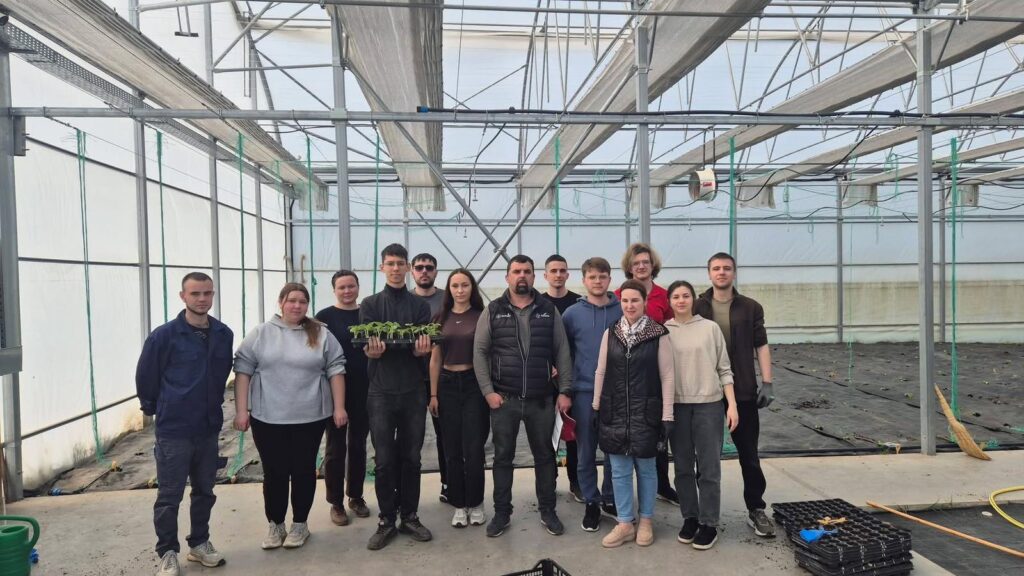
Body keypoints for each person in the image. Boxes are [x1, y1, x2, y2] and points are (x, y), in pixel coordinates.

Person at [233, 282, 348, 550]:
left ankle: (300, 524)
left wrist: (339, 407)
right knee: (274, 472)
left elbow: (336, 369)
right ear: (281, 302)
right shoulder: (261, 333)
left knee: (303, 471)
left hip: (309, 417)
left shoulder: (320, 333)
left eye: (302, 301)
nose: (297, 306)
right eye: (292, 300)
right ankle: (276, 524)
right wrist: (241, 410)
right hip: (268, 417)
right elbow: (243, 371)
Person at [136, 272, 233, 576]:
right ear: (183, 296)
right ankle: (167, 551)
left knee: (205, 490)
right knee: (169, 495)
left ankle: (199, 543)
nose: (202, 299)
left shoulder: (223, 333)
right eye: (195, 294)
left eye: (207, 293)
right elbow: (146, 377)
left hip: (208, 427)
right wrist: (161, 408)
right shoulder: (164, 336)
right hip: (174, 430)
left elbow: (221, 375)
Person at [473, 254, 573, 538]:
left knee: (545, 457)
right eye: (516, 271)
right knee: (503, 458)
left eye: (527, 271)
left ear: (533, 276)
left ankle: (548, 510)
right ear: (507, 277)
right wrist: (488, 392)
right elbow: (479, 352)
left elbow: (562, 351)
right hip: (505, 400)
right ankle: (502, 513)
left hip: (541, 400)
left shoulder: (548, 310)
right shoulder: (493, 310)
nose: (522, 276)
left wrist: (565, 390)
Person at [692, 252, 776, 538]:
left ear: (734, 272)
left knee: (749, 454)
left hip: (742, 391)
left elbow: (761, 345)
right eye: (716, 268)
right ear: (709, 273)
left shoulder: (750, 307)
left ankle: (756, 508)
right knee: (705, 456)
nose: (721, 272)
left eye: (726, 268)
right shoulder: (697, 306)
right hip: (706, 392)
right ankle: (705, 512)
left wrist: (767, 382)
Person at [361, 244, 435, 550]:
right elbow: (367, 343)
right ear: (382, 268)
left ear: (407, 268)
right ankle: (386, 519)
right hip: (380, 391)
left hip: (413, 390)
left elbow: (422, 343)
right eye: (389, 263)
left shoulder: (419, 306)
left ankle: (410, 515)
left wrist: (420, 351)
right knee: (384, 460)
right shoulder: (370, 305)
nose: (395, 268)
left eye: (400, 263)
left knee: (411, 457)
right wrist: (373, 351)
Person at [593, 280, 675, 548]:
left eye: (635, 300)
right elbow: (601, 371)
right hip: (615, 410)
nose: (630, 306)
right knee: (619, 470)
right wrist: (596, 406)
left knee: (647, 469)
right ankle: (625, 523)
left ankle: (646, 521)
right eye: (625, 301)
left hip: (646, 411)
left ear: (644, 302)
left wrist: (667, 415)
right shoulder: (611, 333)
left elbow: (667, 376)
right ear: (621, 303)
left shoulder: (658, 334)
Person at [665, 280, 739, 550]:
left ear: (693, 299)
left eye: (686, 295)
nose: (681, 300)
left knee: (709, 468)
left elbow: (724, 369)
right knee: (682, 468)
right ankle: (690, 518)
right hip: (677, 407)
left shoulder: (710, 328)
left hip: (709, 405)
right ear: (669, 301)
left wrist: (731, 405)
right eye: (676, 296)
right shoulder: (664, 332)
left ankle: (709, 523)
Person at [561, 257, 620, 531]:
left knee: (613, 449)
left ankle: (610, 497)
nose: (598, 281)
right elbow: (564, 354)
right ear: (584, 280)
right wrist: (566, 390)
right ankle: (591, 501)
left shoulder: (622, 310)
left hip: (615, 392)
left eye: (602, 276)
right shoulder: (571, 314)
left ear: (610, 279)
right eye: (592, 277)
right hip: (584, 391)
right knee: (585, 449)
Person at [616, 242, 677, 505]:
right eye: (636, 263)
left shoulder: (664, 296)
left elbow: (674, 327)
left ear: (653, 266)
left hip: (656, 372)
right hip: (627, 374)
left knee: (657, 431)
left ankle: (662, 484)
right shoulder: (619, 294)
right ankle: (621, 492)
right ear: (629, 267)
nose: (641, 266)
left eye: (645, 262)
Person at [428, 269, 488, 528]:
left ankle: (476, 503)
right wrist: (433, 394)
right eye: (455, 285)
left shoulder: (482, 316)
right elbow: (435, 358)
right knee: (451, 449)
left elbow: (488, 353)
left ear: (472, 288)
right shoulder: (440, 317)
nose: (460, 290)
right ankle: (459, 505)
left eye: (465, 285)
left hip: (474, 384)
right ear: (449, 289)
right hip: (447, 385)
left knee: (473, 449)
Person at [316, 270, 372, 526]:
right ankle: (336, 501)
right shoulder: (324, 317)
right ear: (334, 290)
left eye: (351, 286)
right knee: (335, 447)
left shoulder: (368, 314)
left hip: (364, 388)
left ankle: (356, 496)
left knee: (358, 444)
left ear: (358, 287)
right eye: (342, 287)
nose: (347, 291)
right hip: (334, 390)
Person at [540, 254, 583, 502]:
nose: (558, 275)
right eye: (553, 271)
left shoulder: (578, 303)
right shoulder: (538, 303)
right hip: (545, 381)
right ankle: (550, 481)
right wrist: (547, 365)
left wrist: (566, 368)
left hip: (572, 379)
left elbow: (579, 342)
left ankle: (576, 481)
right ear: (545, 275)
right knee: (548, 434)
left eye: (562, 270)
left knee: (572, 433)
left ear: (568, 274)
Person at [411, 252, 448, 505]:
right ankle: (406, 490)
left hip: (443, 377)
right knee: (412, 436)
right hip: (411, 377)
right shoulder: (405, 300)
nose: (424, 271)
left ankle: (448, 482)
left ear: (435, 271)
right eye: (419, 267)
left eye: (429, 267)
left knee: (445, 433)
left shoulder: (446, 299)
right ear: (412, 271)